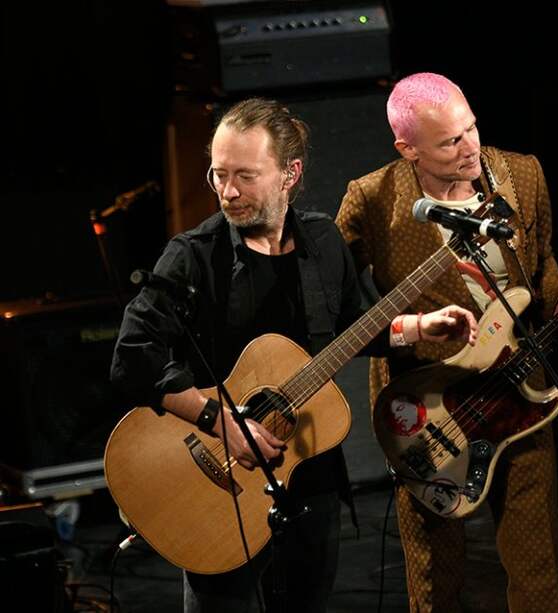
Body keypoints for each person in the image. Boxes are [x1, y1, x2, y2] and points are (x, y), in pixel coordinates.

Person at [110, 97, 478, 613]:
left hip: (307, 475)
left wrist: (418, 327)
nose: (228, 191)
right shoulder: (193, 256)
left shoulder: (322, 241)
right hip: (218, 482)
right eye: (218, 175)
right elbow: (133, 355)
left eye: (245, 175)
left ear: (290, 173)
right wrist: (220, 421)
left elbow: (351, 328)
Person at [335, 72, 558, 612]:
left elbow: (541, 264)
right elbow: (330, 307)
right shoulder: (371, 199)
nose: (470, 147)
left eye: (471, 128)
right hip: (428, 406)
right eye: (451, 141)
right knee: (435, 568)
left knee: (536, 555)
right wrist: (408, 328)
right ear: (407, 149)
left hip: (520, 388)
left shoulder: (521, 175)